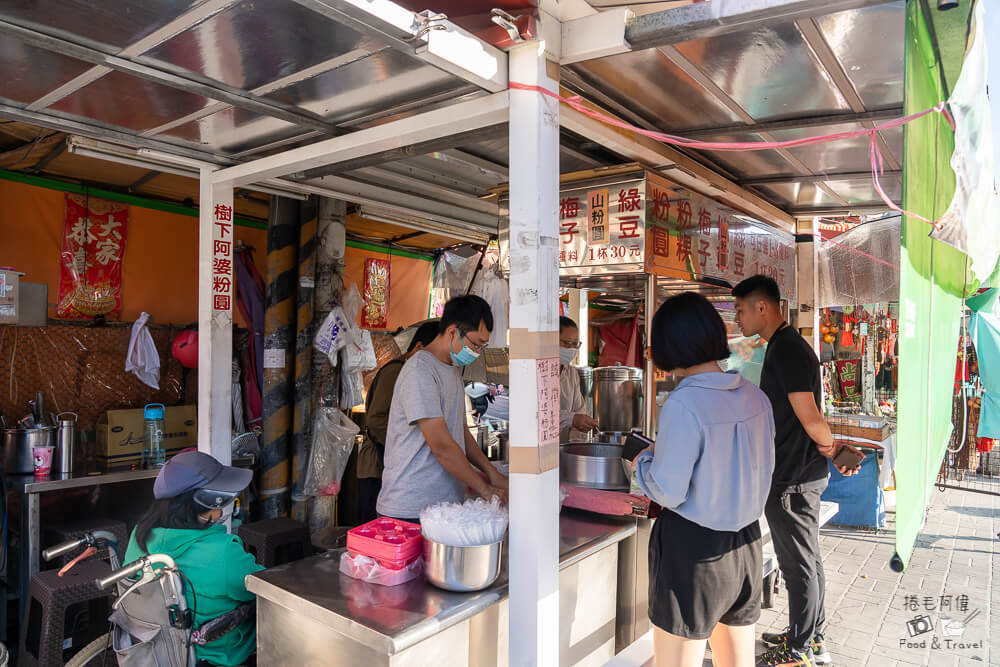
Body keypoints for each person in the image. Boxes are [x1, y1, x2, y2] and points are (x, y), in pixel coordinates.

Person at [633, 292, 775, 667]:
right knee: (737, 661)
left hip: (693, 551)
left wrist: (641, 461)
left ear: (669, 345)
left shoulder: (685, 403)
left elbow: (667, 489)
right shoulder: (755, 397)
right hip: (746, 543)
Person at [732, 275, 862, 667]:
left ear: (762, 307)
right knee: (808, 560)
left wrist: (831, 446)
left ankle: (800, 650)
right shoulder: (783, 347)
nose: (737, 319)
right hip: (796, 473)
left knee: (798, 564)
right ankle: (811, 635)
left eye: (740, 310)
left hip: (792, 478)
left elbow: (808, 414)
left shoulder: (787, 349)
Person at [125, 451, 264, 667]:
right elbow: (265, 587)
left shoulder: (139, 536)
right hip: (218, 654)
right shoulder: (223, 553)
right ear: (205, 503)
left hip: (158, 650)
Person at [377, 295, 508, 522]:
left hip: (444, 506)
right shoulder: (419, 371)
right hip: (410, 509)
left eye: (482, 346)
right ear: (452, 331)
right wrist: (483, 489)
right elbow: (442, 446)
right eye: (475, 344)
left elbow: (461, 433)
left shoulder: (451, 369)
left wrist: (491, 472)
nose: (477, 352)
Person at [357, 320, 441, 523]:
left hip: (391, 466)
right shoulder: (397, 372)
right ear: (419, 347)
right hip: (376, 466)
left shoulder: (414, 372)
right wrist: (407, 446)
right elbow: (376, 420)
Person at [559, 316, 599, 441]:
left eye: (575, 344)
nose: (571, 348)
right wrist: (573, 419)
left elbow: (579, 409)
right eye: (566, 343)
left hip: (563, 446)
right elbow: (540, 414)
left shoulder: (571, 373)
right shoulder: (536, 372)